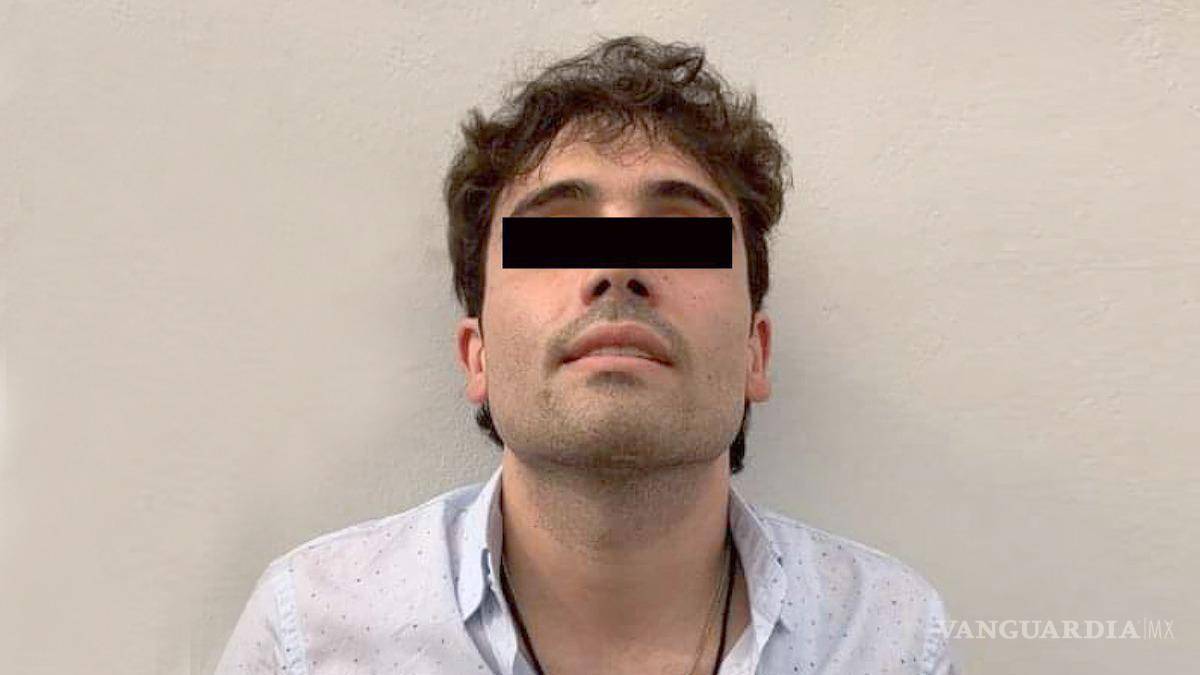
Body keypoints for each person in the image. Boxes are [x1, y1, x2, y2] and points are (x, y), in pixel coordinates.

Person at [214, 34, 959, 675]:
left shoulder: (888, 638)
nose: (616, 267)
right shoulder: (309, 635)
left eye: (679, 232)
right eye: (556, 233)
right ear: (476, 356)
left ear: (754, 355)